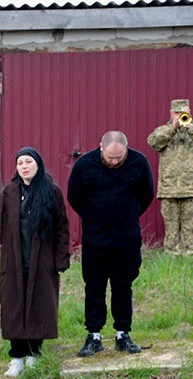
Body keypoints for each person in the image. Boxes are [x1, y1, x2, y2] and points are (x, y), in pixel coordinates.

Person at [67, 131, 155, 357]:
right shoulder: (84, 165)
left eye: (119, 157)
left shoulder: (139, 163)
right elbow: (74, 196)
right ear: (100, 147)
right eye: (110, 157)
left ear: (126, 149)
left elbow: (147, 194)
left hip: (126, 238)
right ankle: (93, 336)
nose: (114, 162)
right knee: (94, 286)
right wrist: (94, 217)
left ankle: (123, 334)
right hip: (95, 238)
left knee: (123, 286)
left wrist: (128, 215)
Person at [0, 146, 70, 377]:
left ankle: (34, 354)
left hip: (42, 261)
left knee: (39, 306)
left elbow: (62, 228)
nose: (24, 166)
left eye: (28, 161)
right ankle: (17, 357)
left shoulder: (51, 191)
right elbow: (1, 226)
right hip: (15, 261)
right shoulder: (9, 192)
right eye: (20, 163)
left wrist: (60, 260)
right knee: (14, 307)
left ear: (38, 164)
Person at [146, 99, 193, 253]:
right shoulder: (164, 130)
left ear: (189, 112)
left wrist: (191, 128)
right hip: (169, 188)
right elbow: (153, 142)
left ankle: (189, 255)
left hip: (191, 187)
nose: (179, 116)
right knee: (171, 227)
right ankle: (171, 255)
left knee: (188, 227)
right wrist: (172, 128)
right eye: (176, 113)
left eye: (183, 112)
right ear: (171, 113)